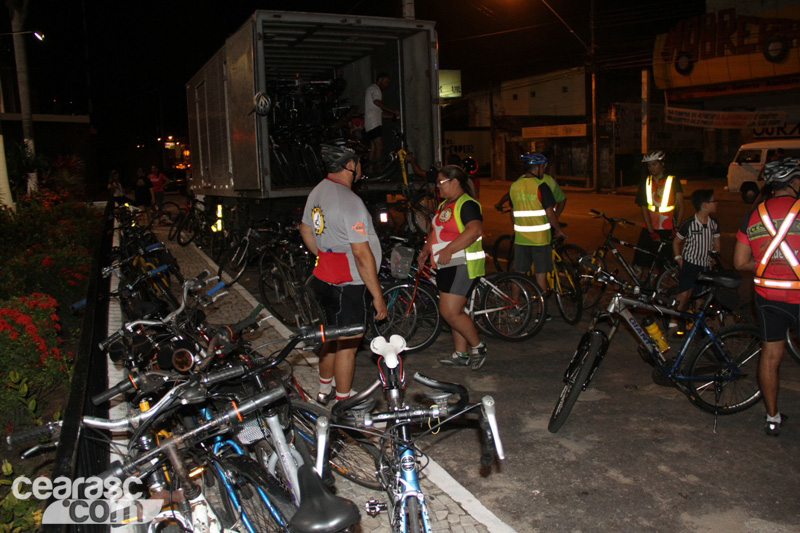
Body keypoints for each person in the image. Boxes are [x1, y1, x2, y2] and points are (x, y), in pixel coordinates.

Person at [300, 143, 387, 405]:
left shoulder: (318, 190)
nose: (360, 167)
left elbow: (305, 229)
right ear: (350, 165)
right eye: (358, 162)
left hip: (325, 277)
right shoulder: (350, 201)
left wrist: (325, 255)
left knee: (330, 335)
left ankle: (324, 389)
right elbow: (362, 255)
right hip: (348, 283)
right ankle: (344, 401)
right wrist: (377, 295)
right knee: (348, 343)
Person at [733, 158, 800, 437]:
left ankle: (772, 418)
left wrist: (765, 266)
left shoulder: (753, 215)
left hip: (767, 297)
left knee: (771, 356)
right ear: (795, 182)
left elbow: (739, 262)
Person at [417, 165, 488, 370]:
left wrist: (448, 250)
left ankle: (479, 346)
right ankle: (461, 354)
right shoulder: (445, 205)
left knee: (450, 312)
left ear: (454, 182)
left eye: (441, 182)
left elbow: (475, 230)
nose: (437, 186)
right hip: (446, 264)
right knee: (455, 312)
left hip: (462, 263)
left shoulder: (467, 204)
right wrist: (424, 251)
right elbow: (435, 232)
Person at [497, 152, 567, 293]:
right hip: (540, 240)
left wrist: (518, 228)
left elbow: (512, 212)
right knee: (540, 274)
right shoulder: (541, 186)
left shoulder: (515, 186)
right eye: (543, 167)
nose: (544, 170)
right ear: (537, 168)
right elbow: (550, 214)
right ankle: (542, 312)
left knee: (518, 273)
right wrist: (559, 230)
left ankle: (514, 307)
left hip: (521, 238)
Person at [669, 189, 720, 335]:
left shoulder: (714, 223)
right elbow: (676, 242)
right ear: (704, 204)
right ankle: (673, 323)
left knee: (701, 298)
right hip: (690, 263)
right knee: (684, 294)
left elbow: (717, 244)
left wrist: (714, 259)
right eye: (713, 201)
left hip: (705, 266)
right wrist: (679, 259)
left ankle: (697, 326)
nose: (716, 203)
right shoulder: (689, 223)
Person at [633, 150, 684, 269]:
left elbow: (681, 206)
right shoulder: (646, 182)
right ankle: (642, 286)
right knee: (640, 263)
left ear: (662, 164)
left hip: (667, 228)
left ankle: (661, 286)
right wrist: (651, 231)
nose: (651, 168)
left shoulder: (673, 181)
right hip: (649, 228)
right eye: (649, 165)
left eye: (654, 164)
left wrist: (677, 228)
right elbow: (643, 206)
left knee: (664, 264)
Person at [363, 73, 400, 167]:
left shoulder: (371, 89)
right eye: (385, 82)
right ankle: (378, 169)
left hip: (370, 123)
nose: (386, 85)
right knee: (379, 146)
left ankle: (370, 169)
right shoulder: (375, 89)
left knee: (373, 147)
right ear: (380, 80)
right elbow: (376, 102)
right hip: (374, 124)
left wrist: (392, 115)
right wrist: (393, 110)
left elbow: (378, 112)